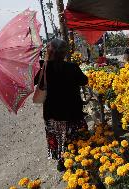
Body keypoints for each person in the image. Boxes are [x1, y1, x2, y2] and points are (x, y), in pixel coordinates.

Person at [34, 38, 89, 171]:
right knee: (74, 138)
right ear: (65, 53)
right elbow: (84, 81)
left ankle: (61, 161)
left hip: (53, 114)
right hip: (72, 112)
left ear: (49, 52)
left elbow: (37, 84)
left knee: (58, 138)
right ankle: (78, 161)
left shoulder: (44, 68)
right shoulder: (72, 67)